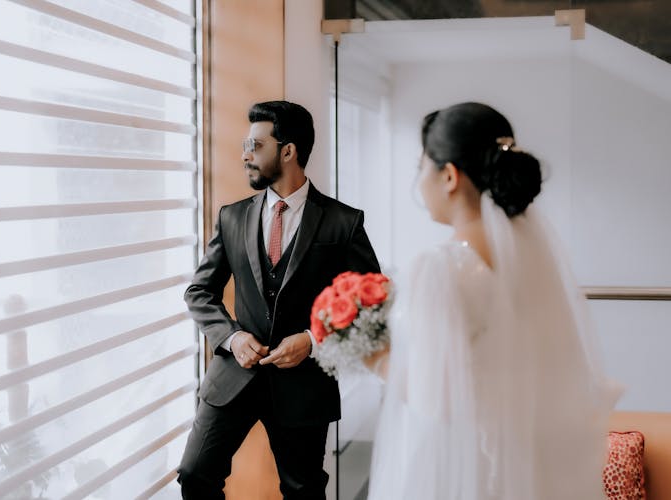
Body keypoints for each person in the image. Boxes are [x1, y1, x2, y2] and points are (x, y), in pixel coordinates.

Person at [366, 102, 620, 499]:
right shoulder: (530, 253)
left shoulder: (440, 268)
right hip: (521, 462)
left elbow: (438, 401)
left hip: (459, 467)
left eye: (421, 167)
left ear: (449, 175)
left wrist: (377, 360)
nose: (418, 182)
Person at [179, 100, 381, 500]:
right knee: (195, 475)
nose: (245, 155)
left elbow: (370, 304)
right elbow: (199, 291)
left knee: (302, 490)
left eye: (255, 145)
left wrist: (311, 339)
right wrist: (233, 337)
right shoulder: (232, 217)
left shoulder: (343, 222)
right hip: (233, 377)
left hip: (304, 383)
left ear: (287, 151)